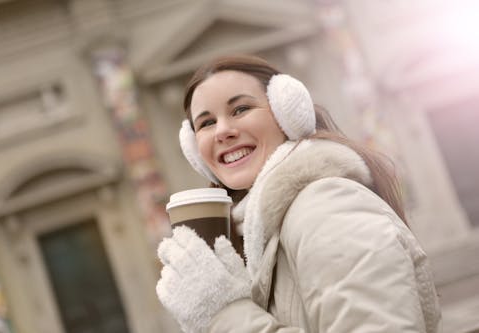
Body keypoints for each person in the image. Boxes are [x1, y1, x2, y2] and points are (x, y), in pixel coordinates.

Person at [156, 54, 442, 333]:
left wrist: (224, 316)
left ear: (287, 113)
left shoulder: (326, 207)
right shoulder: (265, 229)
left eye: (240, 109)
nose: (223, 131)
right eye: (206, 123)